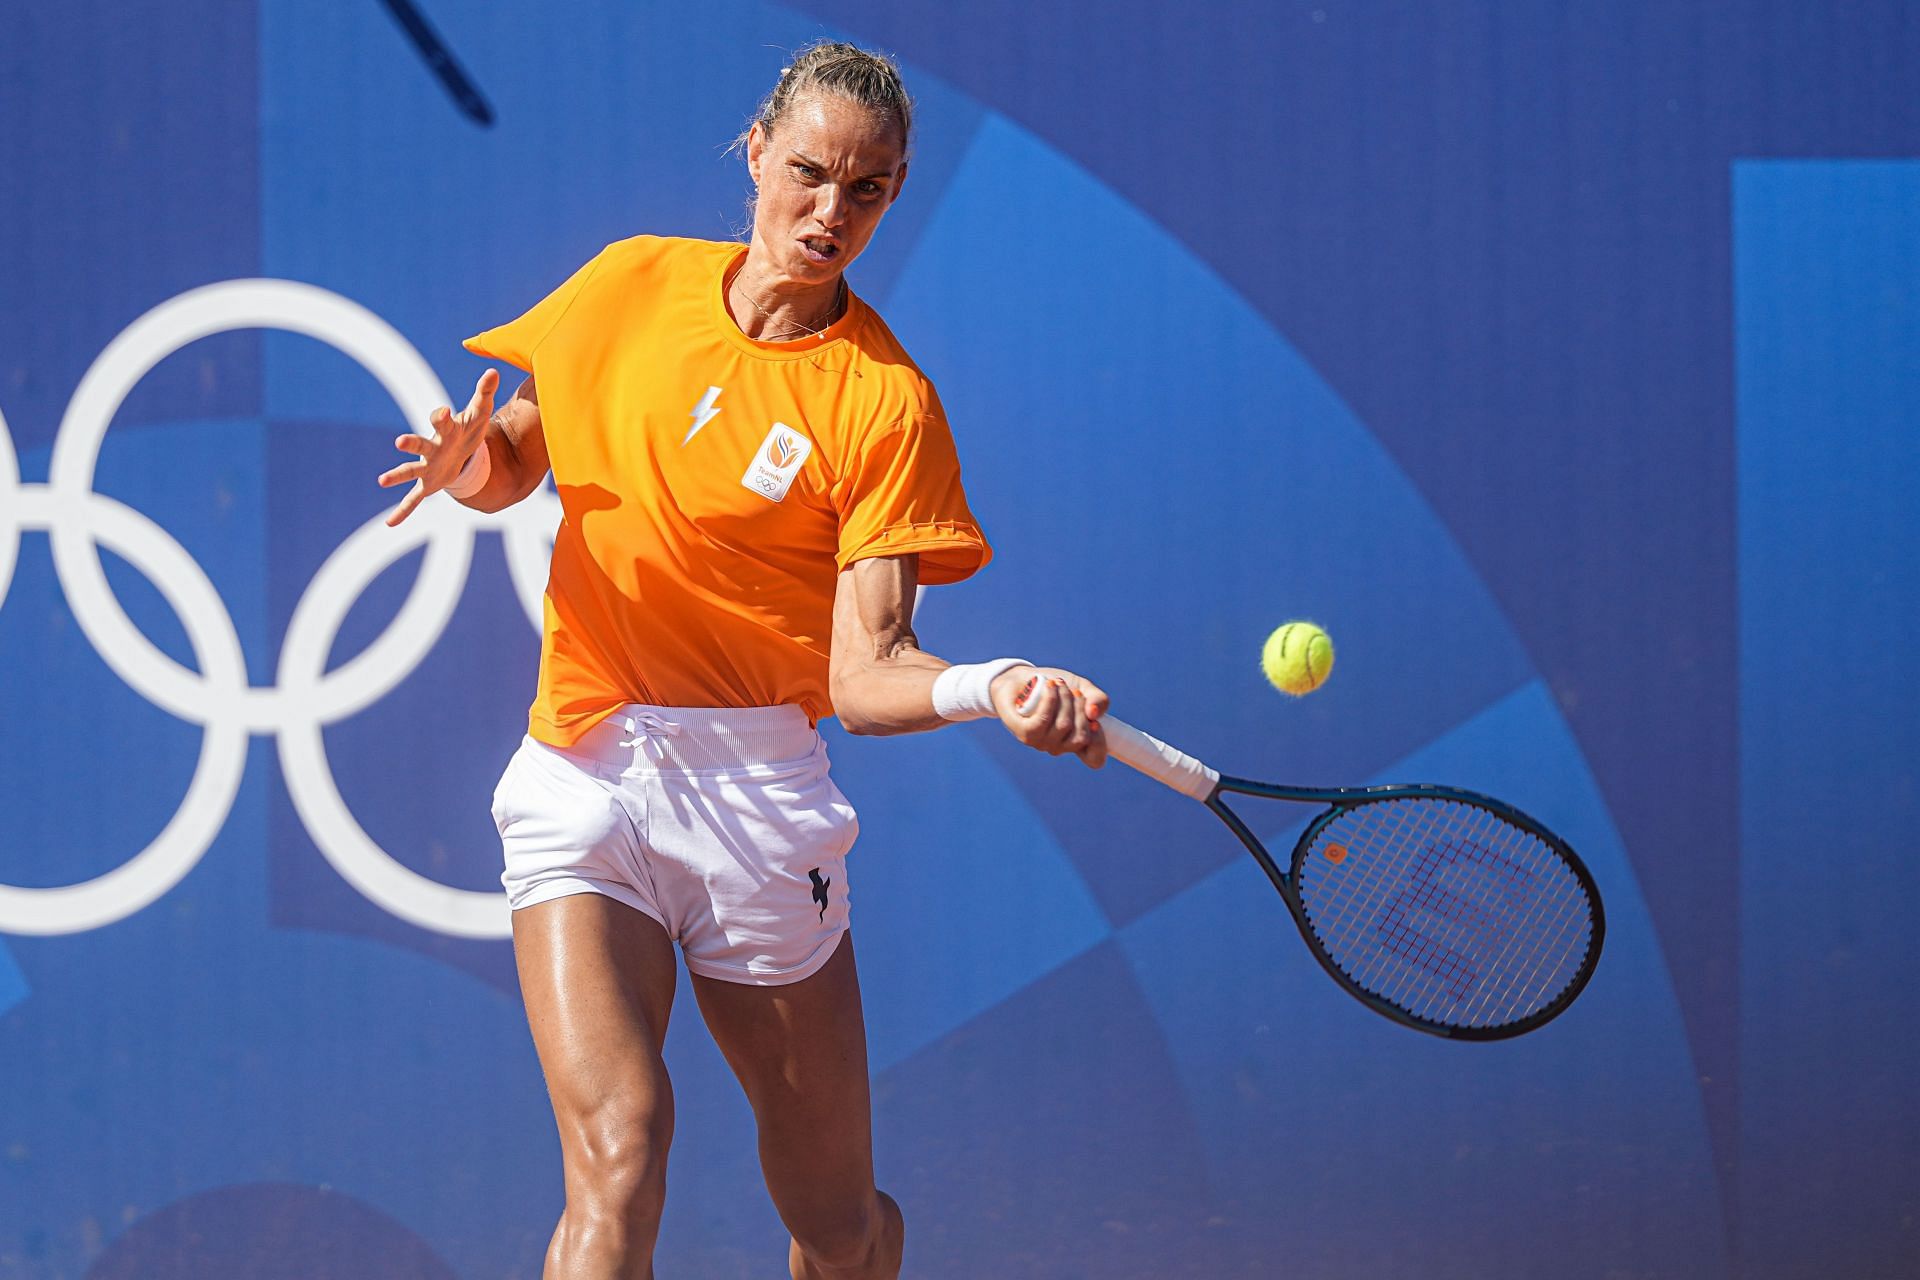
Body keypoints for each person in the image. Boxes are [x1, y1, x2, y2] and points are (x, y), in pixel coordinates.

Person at [377, 41, 1106, 1280]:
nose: (831, 211)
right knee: (620, 1150)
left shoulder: (884, 403)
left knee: (836, 1221)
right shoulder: (626, 287)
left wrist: (992, 687)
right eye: (810, 172)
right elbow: (516, 457)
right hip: (584, 769)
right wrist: (467, 466)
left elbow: (867, 675)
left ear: (895, 193)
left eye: (867, 190)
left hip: (760, 802)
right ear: (755, 154)